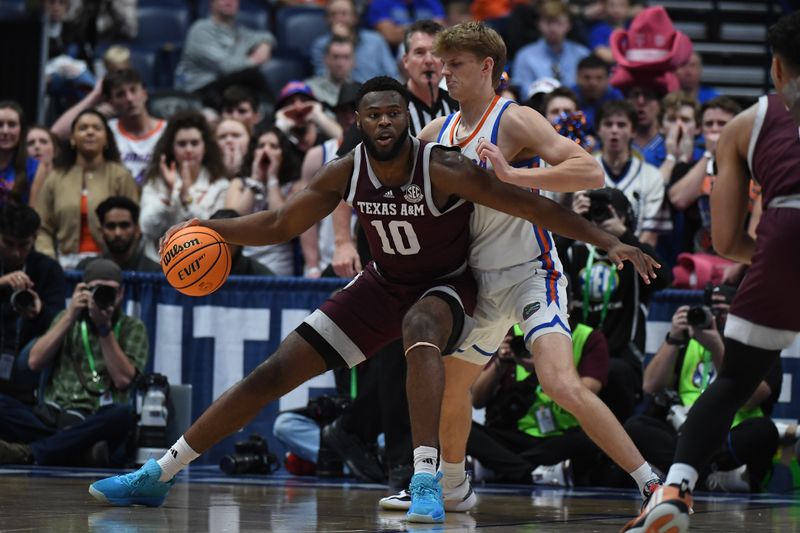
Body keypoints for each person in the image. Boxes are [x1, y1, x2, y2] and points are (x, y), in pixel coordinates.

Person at [88, 77, 657, 524]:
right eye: (372, 114)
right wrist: (207, 225)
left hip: (449, 286)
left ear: (408, 122)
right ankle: (160, 473)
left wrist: (609, 240)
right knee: (272, 373)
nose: (383, 121)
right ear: (357, 123)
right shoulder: (347, 170)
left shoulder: (443, 166)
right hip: (381, 283)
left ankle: (427, 477)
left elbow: (533, 206)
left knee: (420, 328)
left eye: (393, 113)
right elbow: (283, 221)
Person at [378, 22, 661, 516]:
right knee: (448, 385)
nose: (446, 74)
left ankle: (651, 484)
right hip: (478, 280)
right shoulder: (435, 133)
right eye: (443, 66)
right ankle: (453, 485)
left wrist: (515, 175)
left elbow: (589, 170)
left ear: (487, 68)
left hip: (532, 271)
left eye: (457, 65)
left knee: (560, 383)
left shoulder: (514, 119)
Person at [623, 12, 800, 532]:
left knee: (733, 382)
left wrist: (768, 252)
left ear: (775, 68)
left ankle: (674, 490)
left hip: (786, 229)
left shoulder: (748, 122)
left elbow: (724, 241)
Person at [0, 259, 148, 467]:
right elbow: (34, 362)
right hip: (51, 417)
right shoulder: (66, 318)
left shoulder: (133, 327)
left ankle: (30, 452)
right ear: (82, 290)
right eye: (95, 289)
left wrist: (104, 328)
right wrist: (69, 316)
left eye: (109, 291)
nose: (101, 296)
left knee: (121, 415)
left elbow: (123, 379)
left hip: (94, 420)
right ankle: (78, 452)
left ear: (121, 294)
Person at [626, 294, 780, 494]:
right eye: (711, 313)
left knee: (763, 430)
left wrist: (716, 346)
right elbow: (650, 385)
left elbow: (752, 398)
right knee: (635, 426)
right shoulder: (688, 341)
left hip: (731, 432)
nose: (716, 319)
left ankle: (682, 477)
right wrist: (673, 339)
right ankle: (708, 479)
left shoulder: (758, 345)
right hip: (685, 429)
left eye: (724, 312)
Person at [563, 188, 670, 422]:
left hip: (622, 358)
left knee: (613, 372)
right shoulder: (575, 252)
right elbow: (543, 261)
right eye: (596, 214)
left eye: (609, 214)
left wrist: (624, 236)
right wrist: (572, 224)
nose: (601, 219)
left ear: (625, 218)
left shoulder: (634, 257)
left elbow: (663, 278)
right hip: (578, 355)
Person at [34, 109, 140, 269]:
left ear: (106, 140)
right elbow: (42, 228)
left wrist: (120, 262)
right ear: (72, 139)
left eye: (96, 128)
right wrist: (50, 262)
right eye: (83, 128)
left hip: (109, 266)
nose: (90, 132)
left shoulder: (121, 176)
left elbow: (133, 225)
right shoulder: (56, 178)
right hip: (62, 265)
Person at [139, 110, 230, 263]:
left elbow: (212, 234)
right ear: (171, 148)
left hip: (201, 263)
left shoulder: (220, 185)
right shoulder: (157, 181)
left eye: (194, 143)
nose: (188, 149)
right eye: (182, 144)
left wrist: (186, 196)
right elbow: (147, 228)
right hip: (157, 265)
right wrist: (169, 193)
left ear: (205, 147)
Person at [0, 204, 66, 404]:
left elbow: (59, 322)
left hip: (25, 357)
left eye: (23, 245)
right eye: (8, 243)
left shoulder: (48, 269)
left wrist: (40, 311)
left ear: (35, 239)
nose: (16, 253)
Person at [224, 125, 301, 276]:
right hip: (244, 267)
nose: (266, 151)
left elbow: (283, 224)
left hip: (279, 268)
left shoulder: (294, 186)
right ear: (253, 152)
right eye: (261, 146)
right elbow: (232, 223)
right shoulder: (238, 184)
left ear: (283, 154)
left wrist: (272, 179)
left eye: (273, 146)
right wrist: (256, 180)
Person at [668, 97, 743, 254]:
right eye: (709, 124)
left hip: (738, 258)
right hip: (697, 260)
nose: (715, 129)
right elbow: (679, 200)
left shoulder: (750, 166)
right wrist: (710, 154)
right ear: (701, 130)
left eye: (722, 123)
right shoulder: (686, 168)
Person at [592, 99, 667, 247]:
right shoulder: (582, 171)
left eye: (621, 125)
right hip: (588, 258)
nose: (614, 130)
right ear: (598, 130)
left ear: (633, 131)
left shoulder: (652, 176)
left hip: (634, 258)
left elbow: (649, 238)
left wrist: (622, 234)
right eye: (608, 124)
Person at [175, 0, 275, 108]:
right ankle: (275, 111)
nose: (229, 1)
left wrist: (266, 44)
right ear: (211, 4)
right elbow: (226, 67)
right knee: (251, 75)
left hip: (226, 88)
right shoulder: (200, 30)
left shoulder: (240, 32)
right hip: (199, 90)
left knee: (248, 90)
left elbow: (266, 36)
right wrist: (255, 60)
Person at [103, 68, 167, 186]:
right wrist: (93, 98)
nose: (129, 98)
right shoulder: (107, 131)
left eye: (133, 90)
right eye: (120, 94)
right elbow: (59, 133)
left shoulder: (167, 131)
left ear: (144, 93)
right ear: (111, 103)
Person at [311, 0, 399, 84]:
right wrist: (339, 41)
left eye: (344, 14)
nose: (339, 19)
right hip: (337, 96)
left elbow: (392, 74)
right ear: (327, 19)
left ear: (355, 18)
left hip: (374, 94)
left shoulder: (375, 40)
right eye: (333, 15)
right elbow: (323, 79)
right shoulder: (321, 45)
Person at [512, 0, 590, 93]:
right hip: (536, 105)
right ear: (539, 24)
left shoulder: (582, 54)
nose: (553, 28)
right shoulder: (525, 56)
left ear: (569, 25)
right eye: (548, 22)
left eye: (558, 22)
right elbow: (522, 92)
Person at [402, 20, 458, 137]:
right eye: (420, 52)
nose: (428, 60)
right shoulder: (392, 107)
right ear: (406, 61)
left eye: (435, 53)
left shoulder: (458, 106)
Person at [77, 196, 160, 273]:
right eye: (111, 226)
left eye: (124, 225)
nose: (118, 233)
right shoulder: (86, 269)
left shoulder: (155, 272)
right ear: (101, 231)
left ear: (137, 230)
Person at [273, 82, 343, 159]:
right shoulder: (282, 147)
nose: (298, 107)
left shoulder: (327, 141)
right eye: (291, 102)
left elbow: (348, 144)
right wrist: (280, 125)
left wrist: (318, 116)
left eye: (303, 100)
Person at [0, 101, 41, 206]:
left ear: (22, 130)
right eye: (0, 125)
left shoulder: (35, 167)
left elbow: (34, 215)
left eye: (12, 125)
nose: (5, 131)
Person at [208, 209, 273, 275]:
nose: (221, 246)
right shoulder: (199, 265)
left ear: (239, 242)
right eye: (216, 241)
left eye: (228, 242)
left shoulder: (258, 273)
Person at [571, 54, 623, 134]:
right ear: (577, 78)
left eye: (599, 78)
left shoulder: (616, 99)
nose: (593, 83)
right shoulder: (569, 97)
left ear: (608, 79)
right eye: (587, 77)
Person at [365, 0, 446, 49]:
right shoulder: (381, 2)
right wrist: (426, 28)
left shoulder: (431, 2)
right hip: (393, 56)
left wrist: (402, 29)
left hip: (429, 50)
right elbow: (390, 35)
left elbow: (439, 31)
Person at [305, 35, 356, 111]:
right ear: (326, 59)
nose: (340, 63)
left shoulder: (360, 92)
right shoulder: (309, 89)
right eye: (335, 57)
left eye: (346, 57)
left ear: (354, 61)